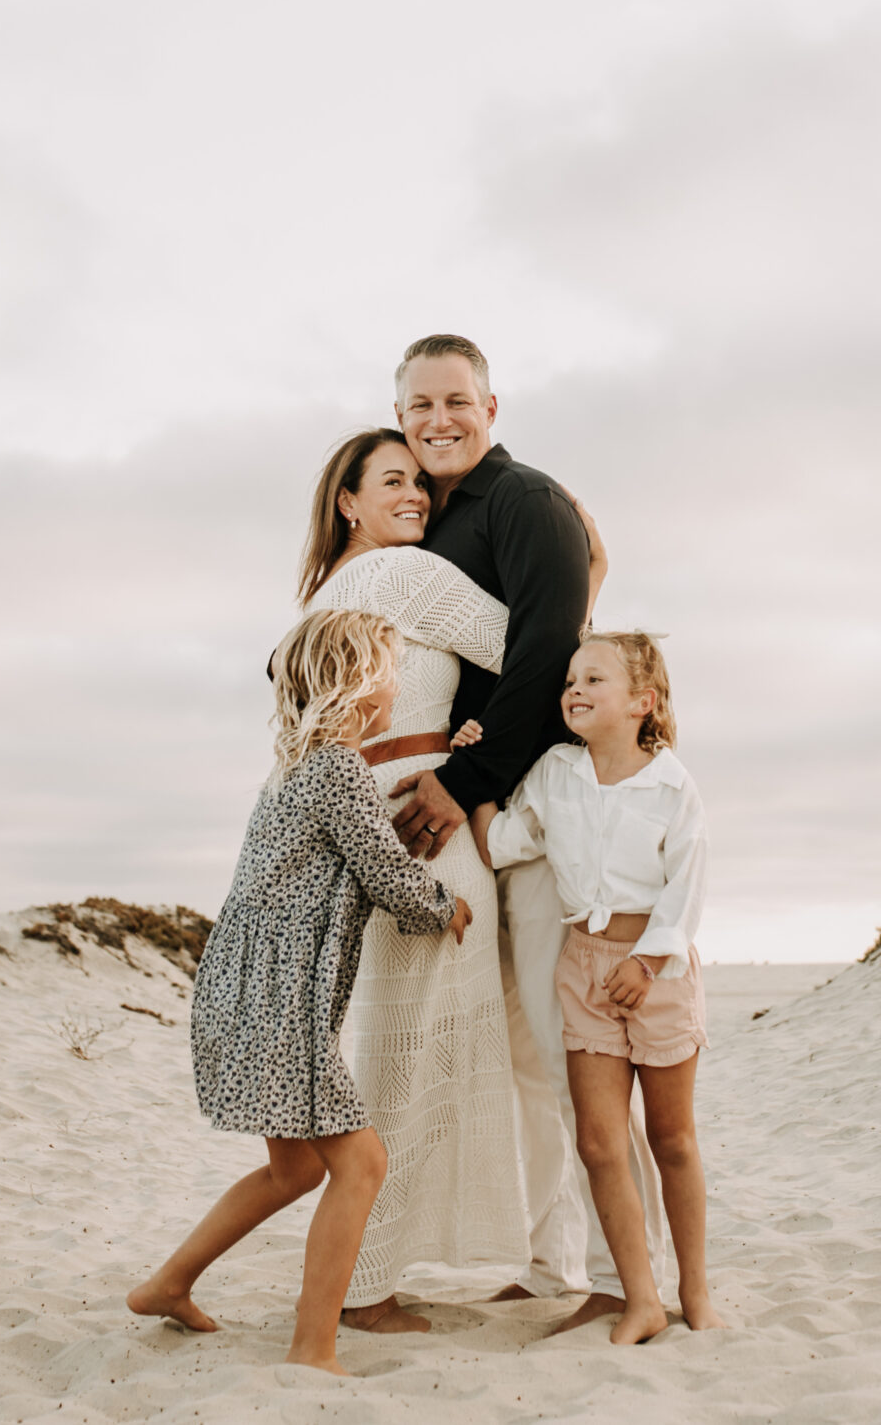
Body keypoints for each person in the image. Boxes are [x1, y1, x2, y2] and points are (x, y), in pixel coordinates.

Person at [382, 333, 670, 1329]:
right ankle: (556, 1267)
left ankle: (629, 1275)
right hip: (486, 813)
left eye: (455, 401)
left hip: (536, 813)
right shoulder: (431, 525)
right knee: (521, 1058)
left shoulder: (526, 502)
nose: (437, 421)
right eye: (418, 407)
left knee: (568, 1050)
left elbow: (545, 645)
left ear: (491, 408)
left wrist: (461, 779)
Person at [127, 609, 471, 1375]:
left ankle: (167, 1283)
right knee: (362, 1162)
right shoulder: (337, 771)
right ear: (359, 682)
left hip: (242, 989)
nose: (397, 685)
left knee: (297, 1169)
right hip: (280, 999)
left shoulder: (295, 772)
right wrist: (446, 905)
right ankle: (313, 1347)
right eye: (391, 669)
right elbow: (386, 875)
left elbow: (357, 840)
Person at [297, 427, 573, 1330]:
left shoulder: (324, 592)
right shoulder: (408, 576)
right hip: (425, 819)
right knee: (410, 1052)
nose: (416, 494)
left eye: (419, 482)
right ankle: (368, 1283)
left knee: (392, 1042)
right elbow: (535, 648)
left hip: (369, 810)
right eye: (392, 481)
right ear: (348, 501)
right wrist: (592, 569)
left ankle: (371, 1270)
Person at [488, 631, 723, 1344]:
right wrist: (472, 768)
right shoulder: (556, 772)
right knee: (597, 1141)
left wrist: (648, 961)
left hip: (656, 973)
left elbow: (687, 887)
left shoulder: (671, 785)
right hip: (583, 967)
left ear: (642, 702)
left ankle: (695, 1290)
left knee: (672, 1137)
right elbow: (505, 840)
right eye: (569, 680)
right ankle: (640, 1297)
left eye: (593, 678)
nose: (574, 690)